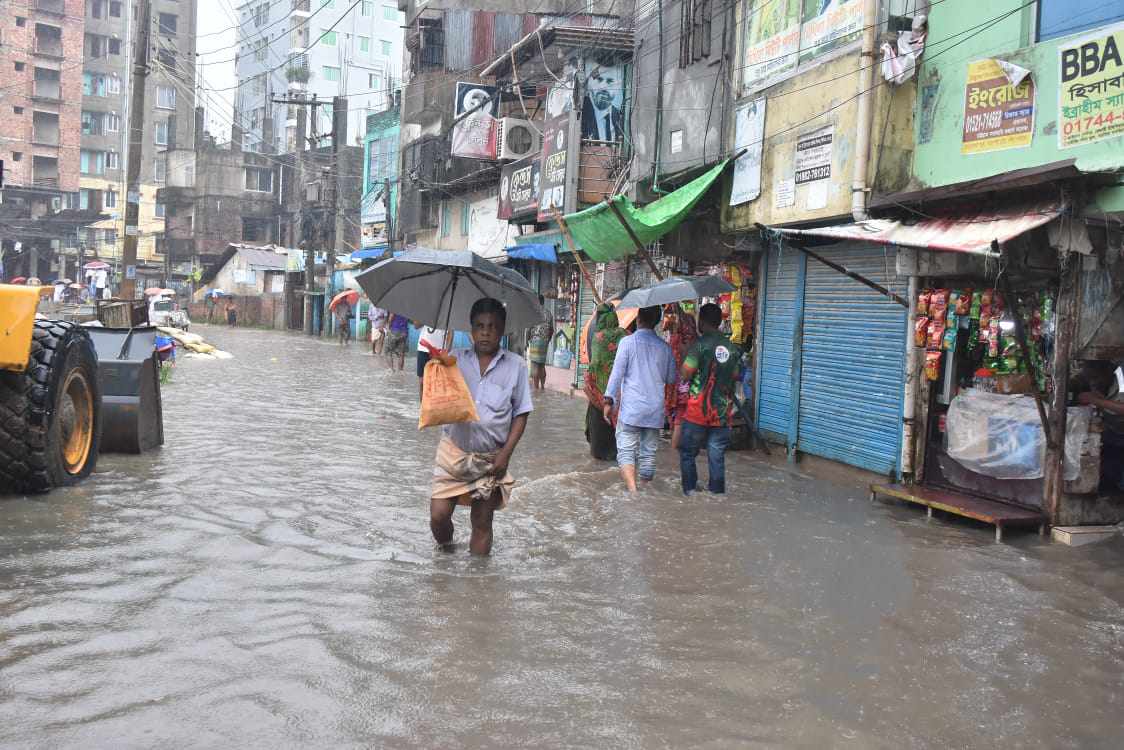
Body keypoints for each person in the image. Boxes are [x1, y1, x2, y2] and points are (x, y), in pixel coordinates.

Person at [430, 298, 532, 556]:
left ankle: (479, 585)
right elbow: (432, 405)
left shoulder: (516, 366)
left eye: (493, 326)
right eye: (480, 326)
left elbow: (521, 413)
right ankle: (446, 551)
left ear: (502, 330)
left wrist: (505, 455)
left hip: (490, 458)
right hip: (453, 452)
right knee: (438, 517)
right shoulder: (453, 361)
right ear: (471, 329)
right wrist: (436, 370)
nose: (486, 331)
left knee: (482, 522)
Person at [602, 306, 676, 492]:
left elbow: (616, 375)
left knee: (626, 450)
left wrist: (608, 401)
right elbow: (671, 378)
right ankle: (645, 488)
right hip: (654, 410)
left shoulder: (627, 343)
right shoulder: (665, 348)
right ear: (657, 322)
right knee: (648, 453)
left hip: (631, 410)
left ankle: (633, 490)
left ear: (638, 319)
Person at [678, 303, 744, 495]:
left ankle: (690, 492)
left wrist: (685, 355)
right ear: (720, 322)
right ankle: (717, 493)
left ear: (702, 321)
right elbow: (736, 375)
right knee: (716, 456)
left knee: (688, 453)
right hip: (722, 413)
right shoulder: (732, 348)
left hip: (697, 412)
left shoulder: (699, 346)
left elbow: (686, 374)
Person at [583, 303, 627, 461]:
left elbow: (594, 366)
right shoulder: (626, 335)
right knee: (620, 453)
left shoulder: (598, 337)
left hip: (599, 397)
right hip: (621, 399)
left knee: (598, 455)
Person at [1075, 360, 1124, 492]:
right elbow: (1114, 402)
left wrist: (1095, 400)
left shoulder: (1121, 375)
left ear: (1104, 370)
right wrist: (1099, 397)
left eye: (1095, 377)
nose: (1094, 382)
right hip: (1116, 432)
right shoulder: (1113, 378)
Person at [662, 303, 699, 447]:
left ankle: (674, 453)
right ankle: (674, 455)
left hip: (674, 386)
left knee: (677, 419)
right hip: (685, 386)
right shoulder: (694, 344)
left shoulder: (674, 341)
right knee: (680, 419)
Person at [580, 63, 624, 142]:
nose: (603, 86)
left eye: (609, 82)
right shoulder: (588, 112)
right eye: (599, 80)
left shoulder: (617, 115)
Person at [526, 295, 554, 390]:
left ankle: (536, 389)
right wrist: (547, 340)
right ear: (543, 302)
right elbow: (551, 329)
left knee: (534, 365)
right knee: (542, 365)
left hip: (534, 341)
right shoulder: (549, 313)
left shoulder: (533, 313)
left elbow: (529, 329)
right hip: (544, 341)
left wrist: (526, 342)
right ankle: (542, 387)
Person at [416, 324, 446, 398]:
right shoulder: (426, 312)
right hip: (423, 349)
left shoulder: (446, 313)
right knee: (422, 382)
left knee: (437, 383)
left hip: (439, 351)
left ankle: (434, 407)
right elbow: (416, 325)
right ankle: (422, 408)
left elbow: (451, 333)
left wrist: (446, 350)